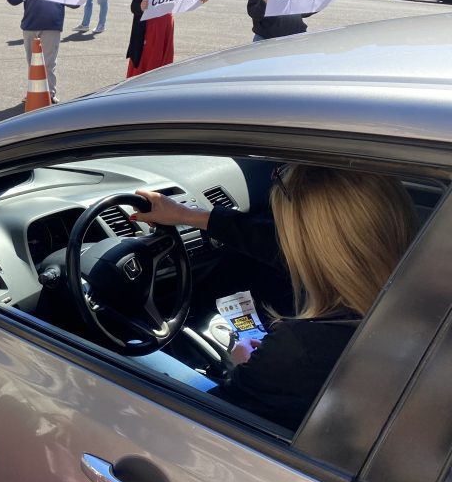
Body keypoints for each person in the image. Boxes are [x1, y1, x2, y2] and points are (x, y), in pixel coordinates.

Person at [133, 165, 417, 432]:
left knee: (134, 356)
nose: (283, 239)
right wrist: (187, 215)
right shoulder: (420, 292)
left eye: (286, 229)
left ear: (308, 246)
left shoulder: (299, 349)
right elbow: (273, 241)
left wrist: (243, 368)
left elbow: (212, 422)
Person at [5, 0, 85, 102]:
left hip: (51, 26)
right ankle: (33, 93)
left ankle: (50, 94)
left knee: (49, 63)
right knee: (33, 63)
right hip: (30, 26)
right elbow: (13, 0)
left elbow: (74, 4)